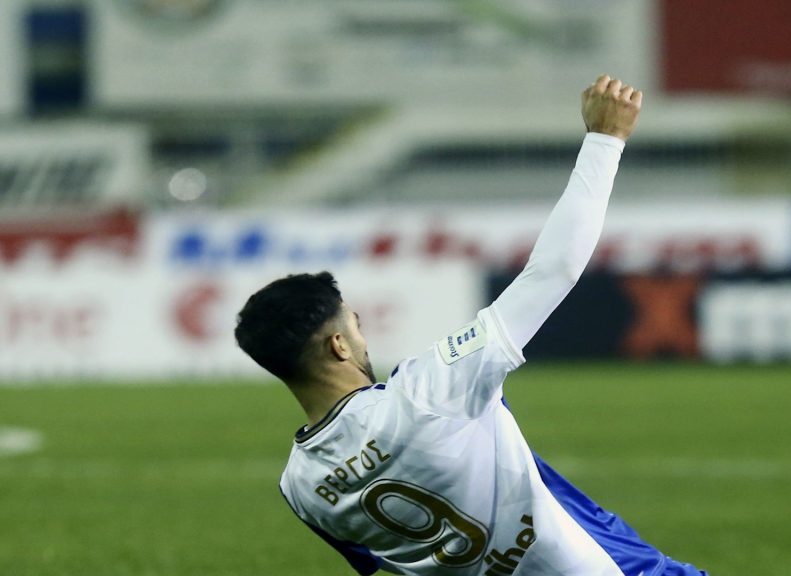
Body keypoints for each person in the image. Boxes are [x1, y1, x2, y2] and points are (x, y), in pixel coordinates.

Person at [235, 75, 706, 576]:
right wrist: (605, 141)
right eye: (355, 325)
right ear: (339, 346)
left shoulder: (301, 488)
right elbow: (554, 271)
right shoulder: (426, 390)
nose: (362, 337)